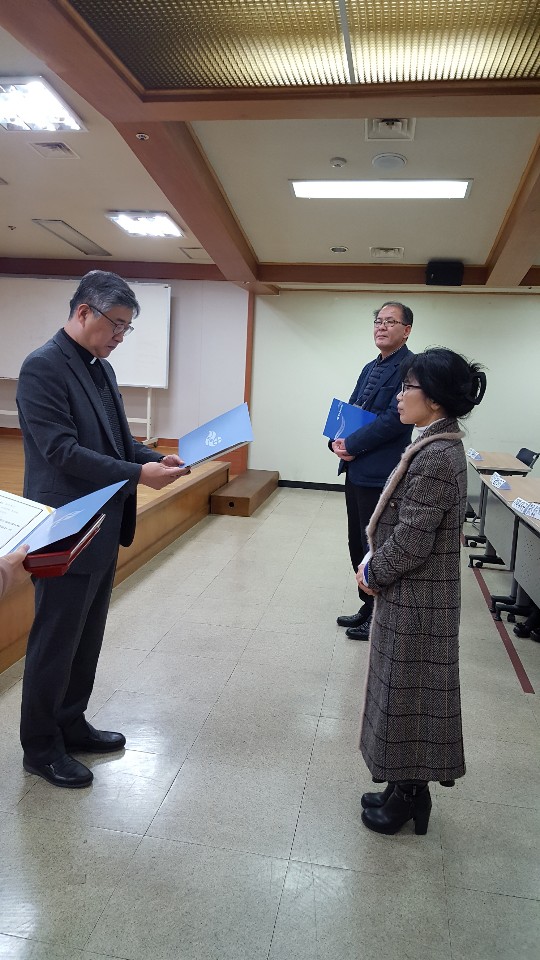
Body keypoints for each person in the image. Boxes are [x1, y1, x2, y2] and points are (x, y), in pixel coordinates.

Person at [16, 270, 190, 789]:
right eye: (116, 324)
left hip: (103, 523)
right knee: (55, 641)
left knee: (86, 637)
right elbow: (61, 451)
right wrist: (139, 474)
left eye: (126, 327)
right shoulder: (43, 367)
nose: (120, 336)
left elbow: (114, 442)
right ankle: (40, 747)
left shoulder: (99, 367)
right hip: (65, 526)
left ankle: (71, 723)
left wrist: (154, 457)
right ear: (83, 311)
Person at [357, 347, 487, 835]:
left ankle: (411, 796)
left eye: (407, 387)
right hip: (415, 594)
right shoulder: (434, 443)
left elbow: (412, 540)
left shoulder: (436, 456)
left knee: (410, 696)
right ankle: (400, 785)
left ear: (433, 399)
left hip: (419, 598)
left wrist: (372, 573)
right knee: (402, 692)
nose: (398, 396)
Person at [331, 301, 414, 639]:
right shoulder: (370, 366)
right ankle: (367, 605)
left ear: (406, 330)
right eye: (378, 321)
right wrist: (336, 441)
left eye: (390, 322)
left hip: (380, 470)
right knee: (357, 540)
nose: (381, 326)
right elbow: (353, 409)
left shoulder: (410, 368)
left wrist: (352, 444)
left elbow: (394, 420)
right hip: (356, 467)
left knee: (375, 544)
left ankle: (381, 614)